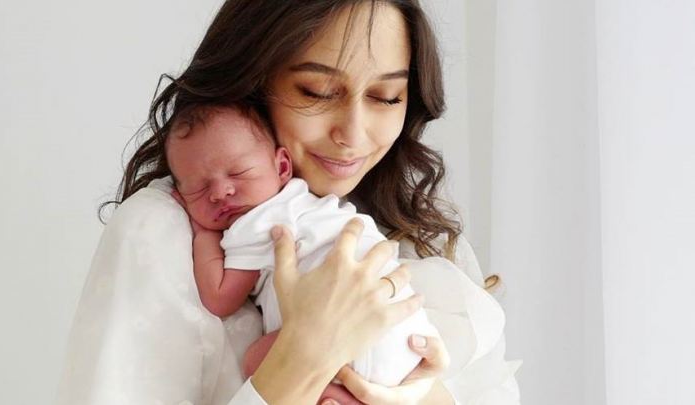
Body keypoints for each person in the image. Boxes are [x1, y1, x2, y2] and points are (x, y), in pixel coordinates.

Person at [56, 1, 522, 405]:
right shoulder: (165, 230)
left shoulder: (414, 234)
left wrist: (423, 393)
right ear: (253, 79)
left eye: (386, 97)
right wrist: (304, 353)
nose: (353, 135)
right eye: (316, 92)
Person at [165, 102, 441, 403]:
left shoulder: (255, 223)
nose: (220, 193)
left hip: (353, 334)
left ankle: (345, 398)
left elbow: (220, 298)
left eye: (238, 173)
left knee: (255, 361)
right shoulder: (306, 202)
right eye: (198, 189)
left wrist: (203, 233)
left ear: (282, 167)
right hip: (407, 335)